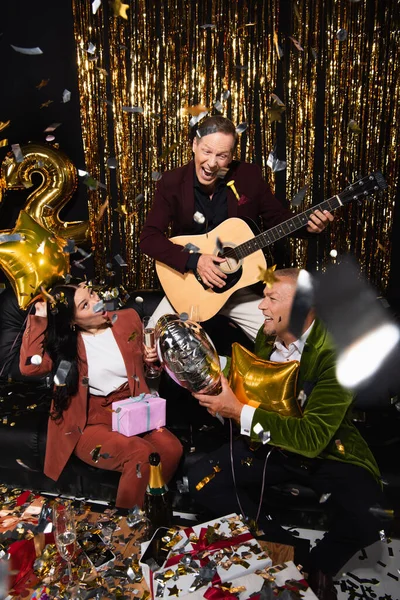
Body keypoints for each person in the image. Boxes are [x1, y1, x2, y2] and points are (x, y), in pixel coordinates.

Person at [188, 268, 383, 600]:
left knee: (369, 515)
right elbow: (249, 382)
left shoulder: (335, 353)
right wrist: (212, 380)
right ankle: (286, 546)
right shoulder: (268, 335)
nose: (261, 306)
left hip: (323, 451)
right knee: (201, 480)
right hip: (269, 443)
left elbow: (312, 437)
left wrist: (236, 410)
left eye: (271, 298)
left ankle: (320, 563)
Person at [140, 116, 333, 340]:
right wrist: (196, 260)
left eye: (221, 156)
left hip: (237, 289)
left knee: (291, 337)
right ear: (194, 145)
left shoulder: (249, 177)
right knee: (153, 342)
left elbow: (278, 219)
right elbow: (149, 238)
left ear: (231, 156)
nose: (212, 163)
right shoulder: (172, 182)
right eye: (206, 151)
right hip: (189, 286)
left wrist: (309, 227)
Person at [19, 283, 183, 509]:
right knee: (140, 453)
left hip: (133, 409)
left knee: (172, 449)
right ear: (72, 321)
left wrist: (151, 362)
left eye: (93, 294)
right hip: (92, 421)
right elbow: (29, 368)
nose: (97, 303)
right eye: (85, 305)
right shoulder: (66, 346)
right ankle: (127, 526)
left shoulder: (127, 319)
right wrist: (39, 317)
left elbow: (149, 372)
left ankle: (148, 508)